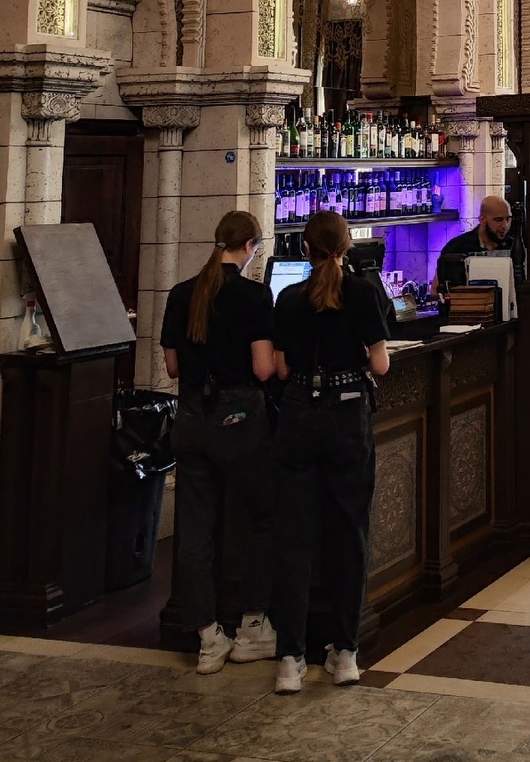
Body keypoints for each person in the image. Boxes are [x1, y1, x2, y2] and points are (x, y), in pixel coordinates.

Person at [270, 210, 391, 693]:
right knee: (349, 531)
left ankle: (289, 657)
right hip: (345, 413)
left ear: (305, 249)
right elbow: (380, 364)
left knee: (293, 536)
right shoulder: (362, 292)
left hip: (298, 411)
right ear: (346, 248)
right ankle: (345, 652)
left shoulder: (288, 298)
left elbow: (281, 369)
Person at [160, 209, 278, 675]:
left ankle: (208, 636)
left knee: (194, 532)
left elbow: (173, 367)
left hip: (192, 417)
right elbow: (264, 368)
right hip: (239, 417)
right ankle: (253, 626)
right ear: (249, 247)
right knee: (257, 520)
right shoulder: (254, 295)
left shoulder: (180, 294)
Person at [436, 193, 525, 294]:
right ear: (482, 219)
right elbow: (436, 290)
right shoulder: (456, 247)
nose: (505, 225)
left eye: (508, 219)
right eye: (499, 220)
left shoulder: (514, 248)